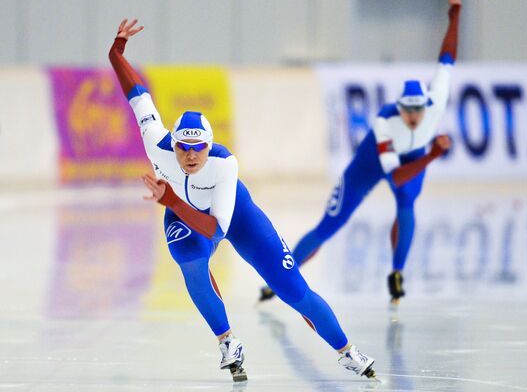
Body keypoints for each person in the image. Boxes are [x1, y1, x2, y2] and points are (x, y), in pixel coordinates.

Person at [108, 19, 376, 382]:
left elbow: (213, 229)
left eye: (197, 148)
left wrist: (171, 198)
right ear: (173, 145)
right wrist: (117, 51)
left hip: (235, 215)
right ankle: (227, 342)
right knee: (189, 259)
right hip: (180, 211)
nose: (189, 155)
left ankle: (346, 351)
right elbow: (137, 93)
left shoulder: (223, 165)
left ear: (208, 145)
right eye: (183, 148)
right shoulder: (157, 143)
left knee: (292, 290)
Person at [259, 0, 461, 305]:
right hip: (371, 164)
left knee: (406, 206)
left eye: (418, 111)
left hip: (414, 156)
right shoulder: (385, 123)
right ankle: (283, 276)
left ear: (425, 106)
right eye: (408, 112)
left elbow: (446, 58)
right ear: (400, 108)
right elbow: (396, 175)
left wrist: (454, 17)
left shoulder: (435, 103)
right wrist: (433, 154)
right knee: (329, 226)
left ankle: (396, 272)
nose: (414, 118)